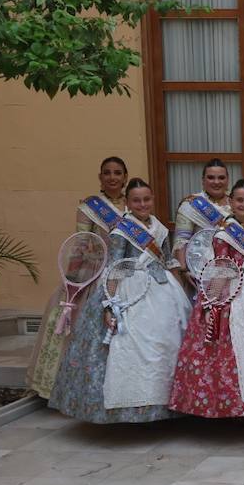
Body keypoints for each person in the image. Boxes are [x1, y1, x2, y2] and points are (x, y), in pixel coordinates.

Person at [50, 178, 189, 424]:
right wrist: (110, 305)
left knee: (166, 347)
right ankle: (135, 408)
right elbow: (113, 269)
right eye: (136, 200)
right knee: (134, 349)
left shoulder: (160, 228)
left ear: (153, 199)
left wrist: (182, 291)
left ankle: (168, 405)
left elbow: (168, 260)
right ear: (127, 202)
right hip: (131, 292)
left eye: (146, 199)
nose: (142, 204)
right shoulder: (121, 230)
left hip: (164, 292)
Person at [169, 180, 244, 419]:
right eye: (239, 200)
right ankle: (238, 405)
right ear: (231, 203)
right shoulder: (223, 234)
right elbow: (221, 269)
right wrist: (213, 303)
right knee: (238, 347)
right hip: (234, 294)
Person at [26, 156, 129, 399]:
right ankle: (68, 388)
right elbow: (82, 243)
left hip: (125, 273)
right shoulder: (90, 207)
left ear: (125, 177)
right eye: (107, 172)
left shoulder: (133, 205)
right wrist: (75, 279)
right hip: (95, 273)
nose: (113, 177)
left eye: (117, 173)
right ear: (100, 177)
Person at [173, 157, 233, 260]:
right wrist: (184, 271)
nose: (216, 182)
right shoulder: (191, 205)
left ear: (228, 180)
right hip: (200, 265)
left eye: (221, 178)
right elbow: (181, 242)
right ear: (203, 180)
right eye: (211, 177)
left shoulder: (237, 204)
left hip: (235, 264)